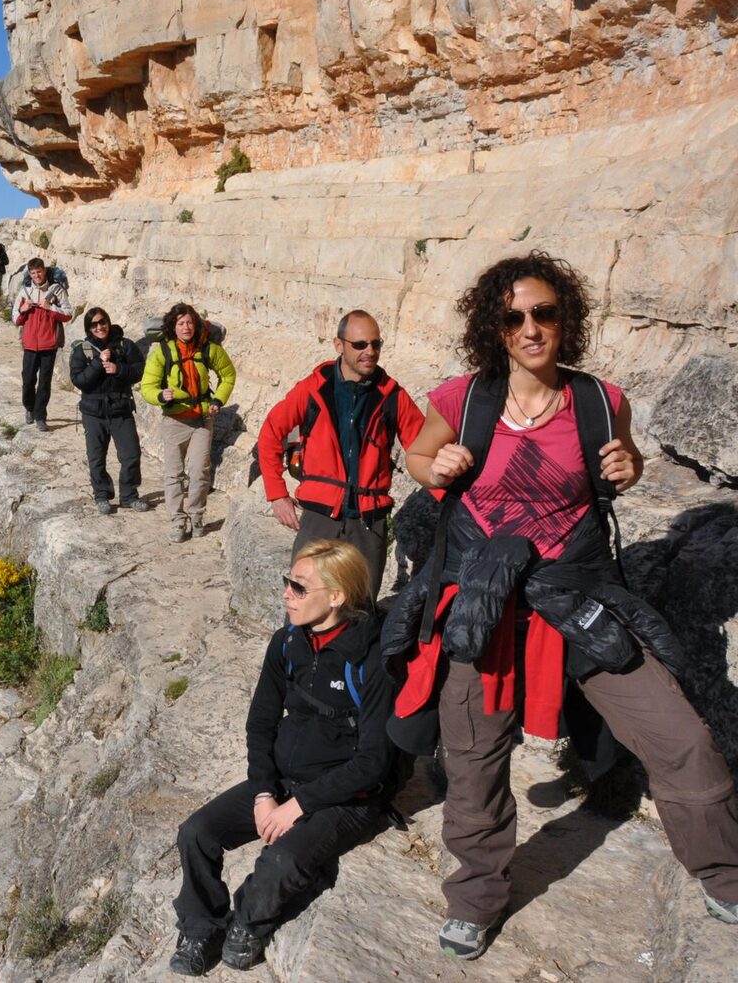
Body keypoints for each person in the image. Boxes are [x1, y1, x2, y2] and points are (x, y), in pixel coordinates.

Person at [382, 251, 738, 960]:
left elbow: (623, 462)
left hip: (576, 598)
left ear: (564, 318)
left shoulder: (602, 400)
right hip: (486, 601)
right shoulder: (460, 401)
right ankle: (476, 898)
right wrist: (435, 465)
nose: (531, 326)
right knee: (476, 760)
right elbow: (418, 456)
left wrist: (628, 468)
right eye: (513, 316)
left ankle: (724, 874)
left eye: (544, 311)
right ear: (495, 327)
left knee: (684, 739)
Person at [170, 540, 392, 975]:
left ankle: (248, 922)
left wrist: (299, 806)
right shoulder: (288, 643)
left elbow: (373, 762)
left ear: (337, 597)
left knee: (282, 861)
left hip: (348, 795)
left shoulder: (371, 659)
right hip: (286, 776)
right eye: (286, 582)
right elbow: (261, 724)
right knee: (196, 833)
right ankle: (200, 926)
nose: (285, 594)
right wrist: (263, 794)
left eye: (298, 586)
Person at [255, 310, 424, 596]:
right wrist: (277, 493)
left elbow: (423, 449)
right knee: (303, 601)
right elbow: (271, 432)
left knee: (360, 610)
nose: (369, 352)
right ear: (339, 345)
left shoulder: (393, 396)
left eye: (376, 344)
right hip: (320, 517)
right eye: (360, 345)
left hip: (369, 521)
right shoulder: (313, 389)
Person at [141, 302, 236, 542]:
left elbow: (228, 375)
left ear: (197, 325)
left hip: (202, 419)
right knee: (174, 474)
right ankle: (178, 520)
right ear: (173, 327)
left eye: (190, 322)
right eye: (181, 323)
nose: (186, 327)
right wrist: (161, 395)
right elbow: (147, 387)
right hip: (174, 420)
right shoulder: (163, 351)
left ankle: (196, 515)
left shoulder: (208, 349)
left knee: (199, 471)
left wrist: (218, 400)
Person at [68, 307, 150, 514]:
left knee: (131, 454)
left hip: (120, 409)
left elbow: (141, 371)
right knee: (96, 457)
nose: (99, 327)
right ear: (88, 328)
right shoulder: (83, 349)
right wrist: (98, 362)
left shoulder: (125, 345)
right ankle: (102, 496)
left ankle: (129, 495)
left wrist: (119, 369)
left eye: (102, 322)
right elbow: (79, 381)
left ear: (108, 321)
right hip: (93, 412)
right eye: (94, 324)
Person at [13, 257, 72, 432]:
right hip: (30, 344)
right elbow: (15, 318)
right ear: (29, 274)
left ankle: (40, 416)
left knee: (45, 382)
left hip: (49, 344)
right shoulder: (25, 291)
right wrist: (23, 310)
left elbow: (68, 313)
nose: (37, 275)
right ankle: (29, 407)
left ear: (44, 271)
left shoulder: (57, 290)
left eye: (39, 271)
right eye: (33, 273)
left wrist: (51, 308)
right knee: (28, 380)